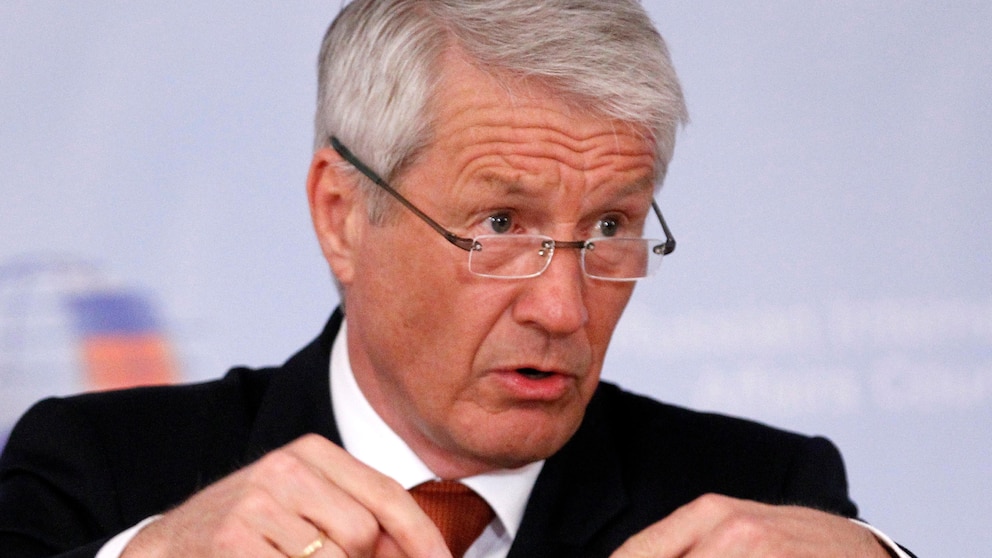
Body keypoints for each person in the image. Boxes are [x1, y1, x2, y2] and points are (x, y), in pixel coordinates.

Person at [0, 1, 914, 557]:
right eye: (501, 225)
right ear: (343, 215)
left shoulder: (759, 490)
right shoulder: (102, 471)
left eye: (609, 228)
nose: (564, 308)